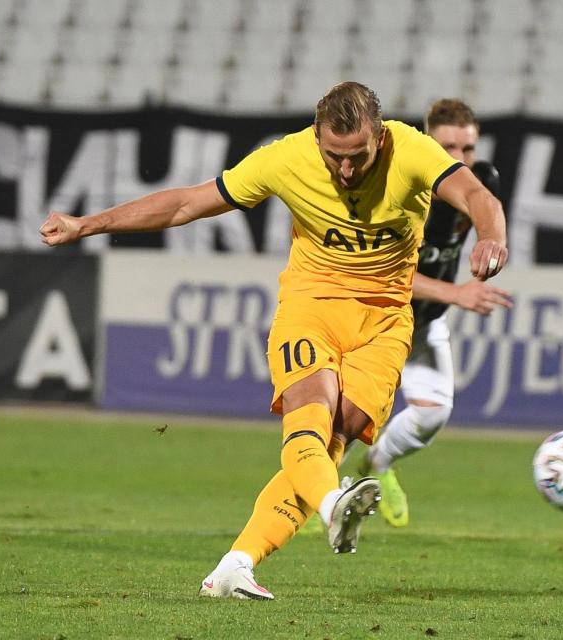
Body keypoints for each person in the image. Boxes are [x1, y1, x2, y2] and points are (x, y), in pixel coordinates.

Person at [38, 82, 507, 601]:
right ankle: (334, 507)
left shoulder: (412, 149)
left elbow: (476, 195)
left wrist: (491, 236)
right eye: (335, 157)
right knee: (310, 418)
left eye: (358, 156)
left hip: (387, 322)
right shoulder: (286, 158)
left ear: (379, 134)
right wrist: (88, 224)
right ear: (316, 137)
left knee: (333, 440)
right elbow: (185, 205)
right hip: (312, 307)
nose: (346, 170)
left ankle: (235, 566)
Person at [357, 99, 512, 528]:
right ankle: (313, 500)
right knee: (342, 419)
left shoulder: (480, 181)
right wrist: (457, 293)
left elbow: (488, 211)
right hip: (372, 320)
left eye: (468, 148)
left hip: (424, 322)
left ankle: (376, 466)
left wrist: (491, 240)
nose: (459, 159)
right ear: (426, 142)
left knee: (432, 413)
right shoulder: (401, 190)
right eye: (448, 148)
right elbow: (383, 275)